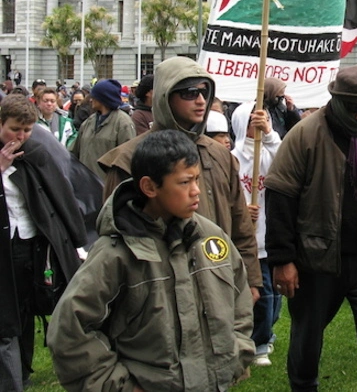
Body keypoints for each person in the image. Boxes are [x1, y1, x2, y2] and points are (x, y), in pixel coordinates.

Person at [48, 130, 255, 391]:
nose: (196, 191)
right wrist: (117, 385)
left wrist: (236, 352)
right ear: (149, 187)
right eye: (184, 182)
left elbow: (239, 296)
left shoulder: (210, 237)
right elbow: (71, 329)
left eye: (197, 180)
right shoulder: (115, 254)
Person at [265, 65, 357, 392]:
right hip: (316, 262)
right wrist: (282, 260)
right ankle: (303, 386)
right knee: (308, 337)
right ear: (335, 100)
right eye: (353, 108)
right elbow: (280, 196)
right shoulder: (306, 133)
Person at [98, 56, 262, 298]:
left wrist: (250, 277)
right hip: (155, 289)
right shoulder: (128, 159)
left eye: (205, 92)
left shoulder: (219, 154)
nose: (200, 100)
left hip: (218, 279)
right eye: (189, 93)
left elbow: (239, 222)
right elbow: (112, 238)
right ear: (165, 96)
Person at [0, 95, 87, 391]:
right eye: (14, 129)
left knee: (26, 309)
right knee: (8, 317)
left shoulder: (36, 151)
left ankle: (22, 370)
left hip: (32, 246)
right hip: (6, 249)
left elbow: (60, 196)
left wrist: (76, 242)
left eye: (27, 130)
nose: (21, 136)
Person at [231, 101, 282, 368]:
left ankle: (267, 332)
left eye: (260, 122)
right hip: (248, 239)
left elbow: (287, 162)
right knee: (259, 293)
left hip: (271, 232)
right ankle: (258, 342)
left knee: (275, 293)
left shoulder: (272, 148)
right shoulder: (233, 157)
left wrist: (271, 133)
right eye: (251, 123)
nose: (256, 128)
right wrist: (241, 209)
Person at [70, 79, 135, 180]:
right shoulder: (88, 122)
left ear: (104, 99)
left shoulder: (123, 123)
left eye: (94, 97)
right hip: (85, 186)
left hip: (108, 188)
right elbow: (73, 152)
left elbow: (128, 160)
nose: (90, 100)